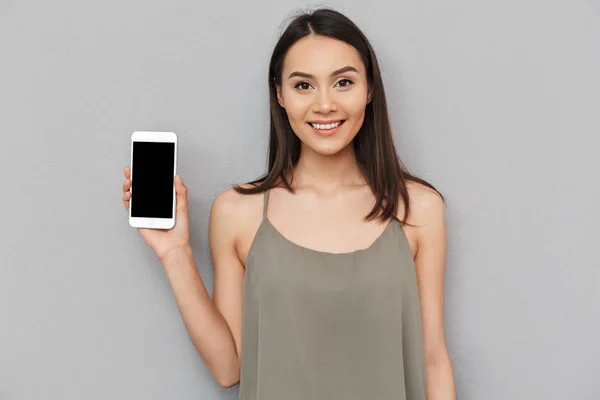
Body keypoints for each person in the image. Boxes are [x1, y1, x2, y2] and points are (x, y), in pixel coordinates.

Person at [122, 7, 455, 400]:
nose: (325, 104)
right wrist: (175, 252)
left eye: (343, 82)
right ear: (279, 94)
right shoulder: (237, 213)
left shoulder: (417, 209)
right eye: (303, 86)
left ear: (369, 90)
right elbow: (229, 369)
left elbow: (432, 358)